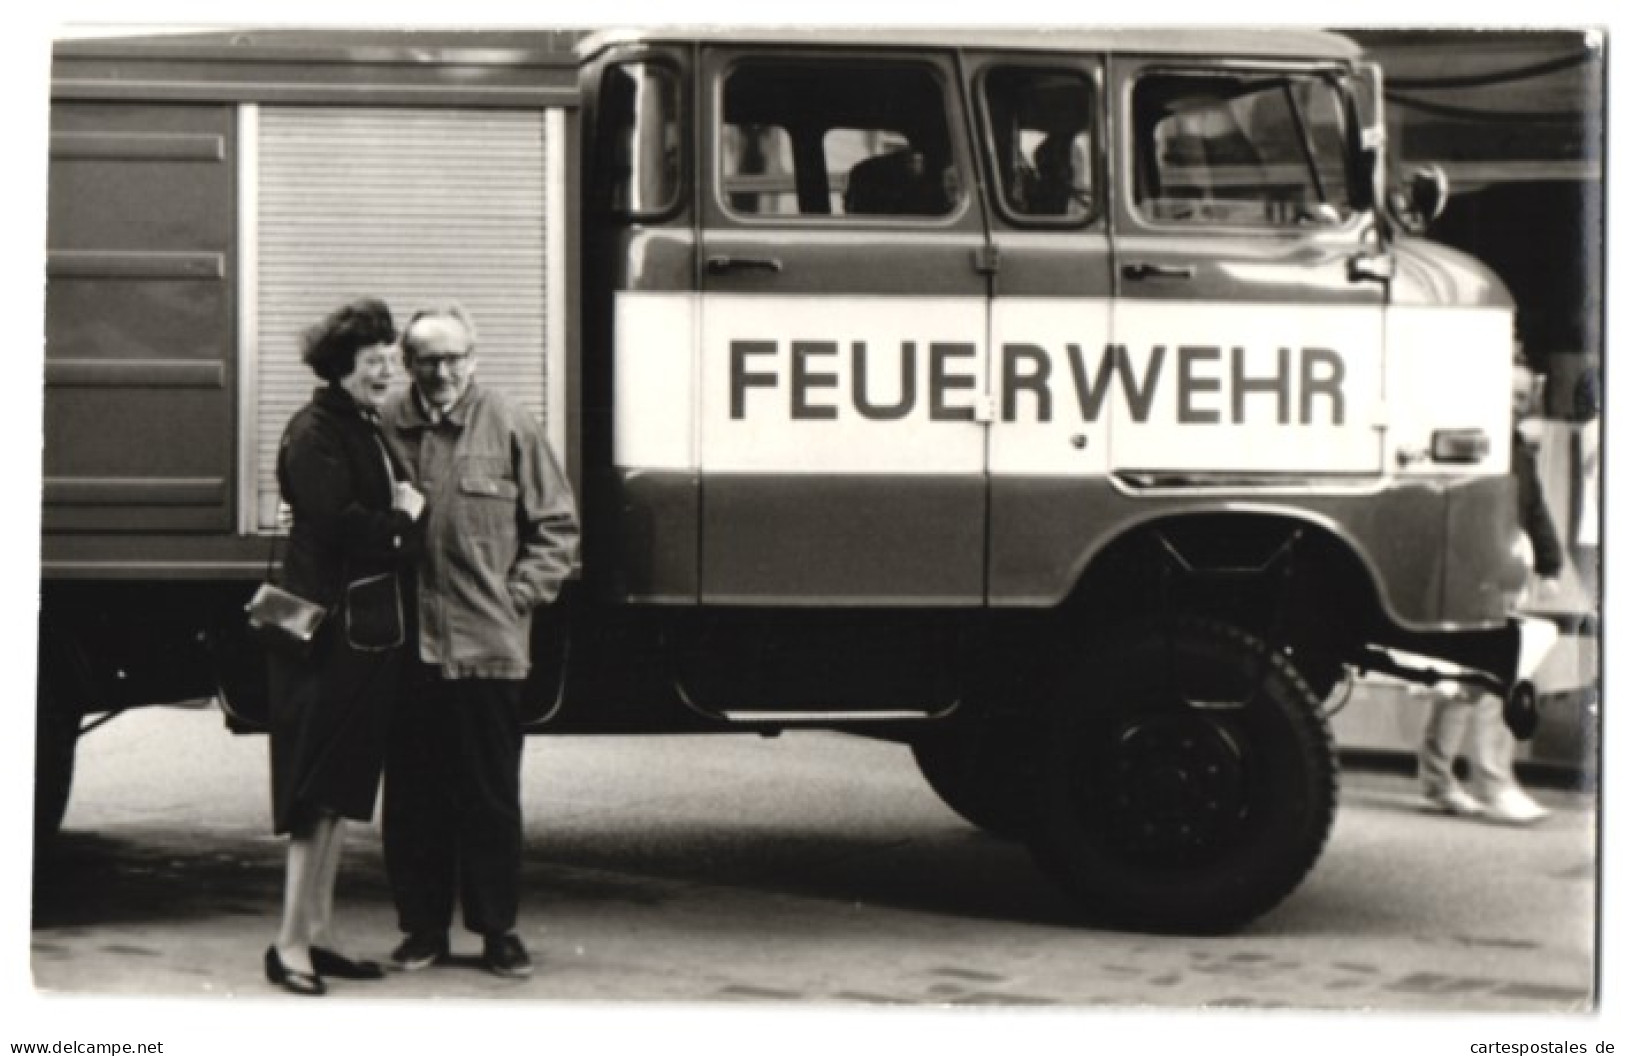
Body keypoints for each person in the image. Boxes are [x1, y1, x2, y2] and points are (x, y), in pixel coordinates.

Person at [381, 303, 579, 979]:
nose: (441, 371)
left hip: (486, 648)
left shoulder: (511, 424)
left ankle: (498, 931)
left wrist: (515, 598)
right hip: (406, 651)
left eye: (453, 357)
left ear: (474, 358)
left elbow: (556, 529)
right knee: (411, 800)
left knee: (489, 798)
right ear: (407, 364)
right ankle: (422, 931)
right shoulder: (382, 427)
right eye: (427, 359)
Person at [265, 298, 426, 996]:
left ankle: (321, 935)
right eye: (374, 362)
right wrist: (404, 519)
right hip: (326, 638)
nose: (388, 370)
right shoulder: (316, 431)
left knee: (337, 792)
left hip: (359, 635)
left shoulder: (355, 423)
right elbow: (338, 525)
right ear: (340, 368)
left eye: (390, 359)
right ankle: (290, 945)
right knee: (314, 794)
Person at [1418, 359, 1563, 825]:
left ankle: (1441, 779)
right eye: (1513, 395)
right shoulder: (1488, 442)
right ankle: (1491, 782)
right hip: (1482, 569)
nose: (1520, 405)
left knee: (1467, 680)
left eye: (1525, 397)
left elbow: (1533, 503)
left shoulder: (1512, 443)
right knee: (1492, 676)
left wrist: (1549, 559)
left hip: (1495, 566)